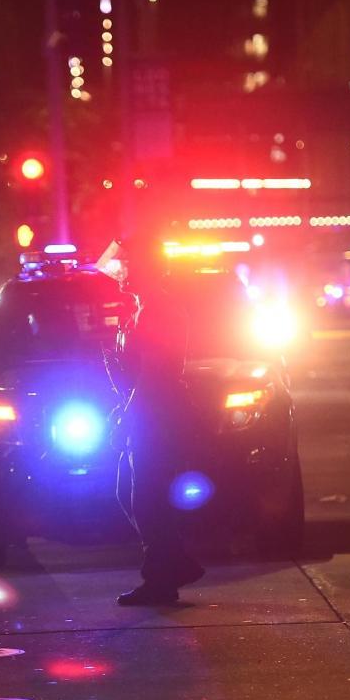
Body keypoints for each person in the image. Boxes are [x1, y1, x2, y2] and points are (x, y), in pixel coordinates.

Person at [106, 238, 205, 606]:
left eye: (125, 263)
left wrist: (128, 415)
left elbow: (151, 375)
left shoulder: (156, 311)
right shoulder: (143, 308)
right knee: (134, 493)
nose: (118, 270)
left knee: (147, 498)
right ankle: (174, 562)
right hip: (150, 410)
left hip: (156, 414)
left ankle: (161, 578)